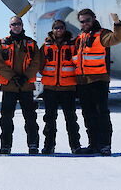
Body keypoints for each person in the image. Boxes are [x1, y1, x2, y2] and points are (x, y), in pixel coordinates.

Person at [73, 9, 121, 156]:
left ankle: (104, 145)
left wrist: (117, 23)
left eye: (87, 20)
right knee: (88, 115)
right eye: (82, 21)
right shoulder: (80, 38)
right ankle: (93, 144)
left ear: (94, 19)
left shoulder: (102, 34)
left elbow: (118, 38)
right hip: (83, 83)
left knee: (101, 114)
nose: (85, 23)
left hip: (98, 81)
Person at [0, 16, 40, 154]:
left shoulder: (31, 43)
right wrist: (13, 77)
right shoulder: (2, 43)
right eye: (14, 24)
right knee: (6, 118)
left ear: (22, 25)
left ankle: (33, 144)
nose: (16, 26)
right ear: (10, 27)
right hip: (9, 86)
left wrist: (26, 77)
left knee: (30, 117)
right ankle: (5, 145)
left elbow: (36, 61)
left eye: (18, 24)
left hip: (26, 86)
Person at [40, 20, 83, 154]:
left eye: (61, 28)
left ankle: (75, 145)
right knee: (49, 119)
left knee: (71, 119)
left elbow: (78, 62)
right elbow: (40, 64)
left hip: (68, 88)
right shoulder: (46, 46)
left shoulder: (72, 45)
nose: (59, 30)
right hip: (50, 88)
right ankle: (49, 146)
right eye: (56, 28)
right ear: (52, 30)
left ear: (65, 29)